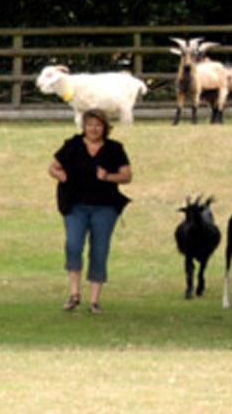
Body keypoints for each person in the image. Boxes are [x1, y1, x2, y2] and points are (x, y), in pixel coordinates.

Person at [48, 109, 133, 314]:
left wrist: (107, 177)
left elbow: (127, 175)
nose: (94, 129)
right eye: (90, 125)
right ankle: (74, 293)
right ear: (84, 127)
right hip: (75, 204)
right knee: (73, 244)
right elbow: (53, 167)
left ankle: (94, 301)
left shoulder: (114, 148)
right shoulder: (73, 145)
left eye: (98, 125)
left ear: (104, 127)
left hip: (105, 206)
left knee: (99, 250)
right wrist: (64, 178)